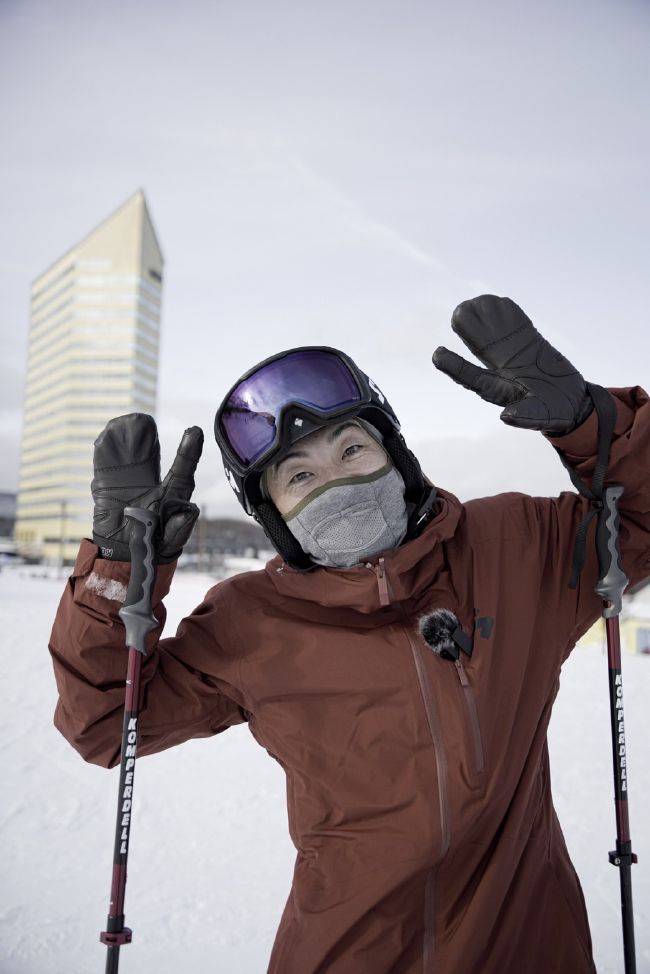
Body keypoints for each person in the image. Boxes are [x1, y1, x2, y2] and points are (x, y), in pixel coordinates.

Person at [50, 295, 650, 973]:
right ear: (272, 512)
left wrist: (596, 426)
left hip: (529, 948)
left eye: (352, 448)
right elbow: (105, 723)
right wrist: (119, 571)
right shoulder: (251, 618)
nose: (336, 482)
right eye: (300, 475)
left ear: (395, 454)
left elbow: (641, 528)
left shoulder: (515, 546)